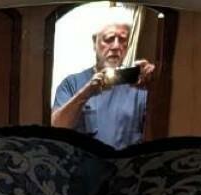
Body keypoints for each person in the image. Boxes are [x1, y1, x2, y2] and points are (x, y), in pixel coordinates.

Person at [51, 19, 157, 150]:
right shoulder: (71, 83)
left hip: (127, 161)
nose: (116, 46)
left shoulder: (139, 86)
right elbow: (57, 128)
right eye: (109, 39)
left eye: (122, 40)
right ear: (94, 42)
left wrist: (155, 87)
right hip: (83, 161)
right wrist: (85, 93)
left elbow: (158, 134)